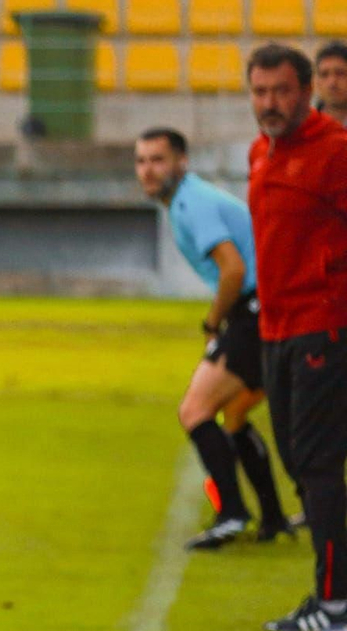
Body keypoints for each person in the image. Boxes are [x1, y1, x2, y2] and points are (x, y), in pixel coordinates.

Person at [133, 126, 292, 549]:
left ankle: (232, 514)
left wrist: (211, 324)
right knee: (235, 416)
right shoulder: (187, 199)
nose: (148, 170)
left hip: (256, 308)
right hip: (266, 306)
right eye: (142, 161)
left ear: (181, 162)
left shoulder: (191, 203)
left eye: (158, 160)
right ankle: (273, 518)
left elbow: (234, 270)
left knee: (194, 410)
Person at [245, 46, 347, 631]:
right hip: (274, 329)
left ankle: (333, 603)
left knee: (318, 463)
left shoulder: (334, 152)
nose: (269, 104)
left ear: (307, 91)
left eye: (281, 91)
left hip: (322, 328)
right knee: (296, 462)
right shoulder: (261, 152)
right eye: (259, 92)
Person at [316, 41, 347, 126]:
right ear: (317, 82)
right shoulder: (302, 128)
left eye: (340, 73)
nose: (332, 82)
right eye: (324, 74)